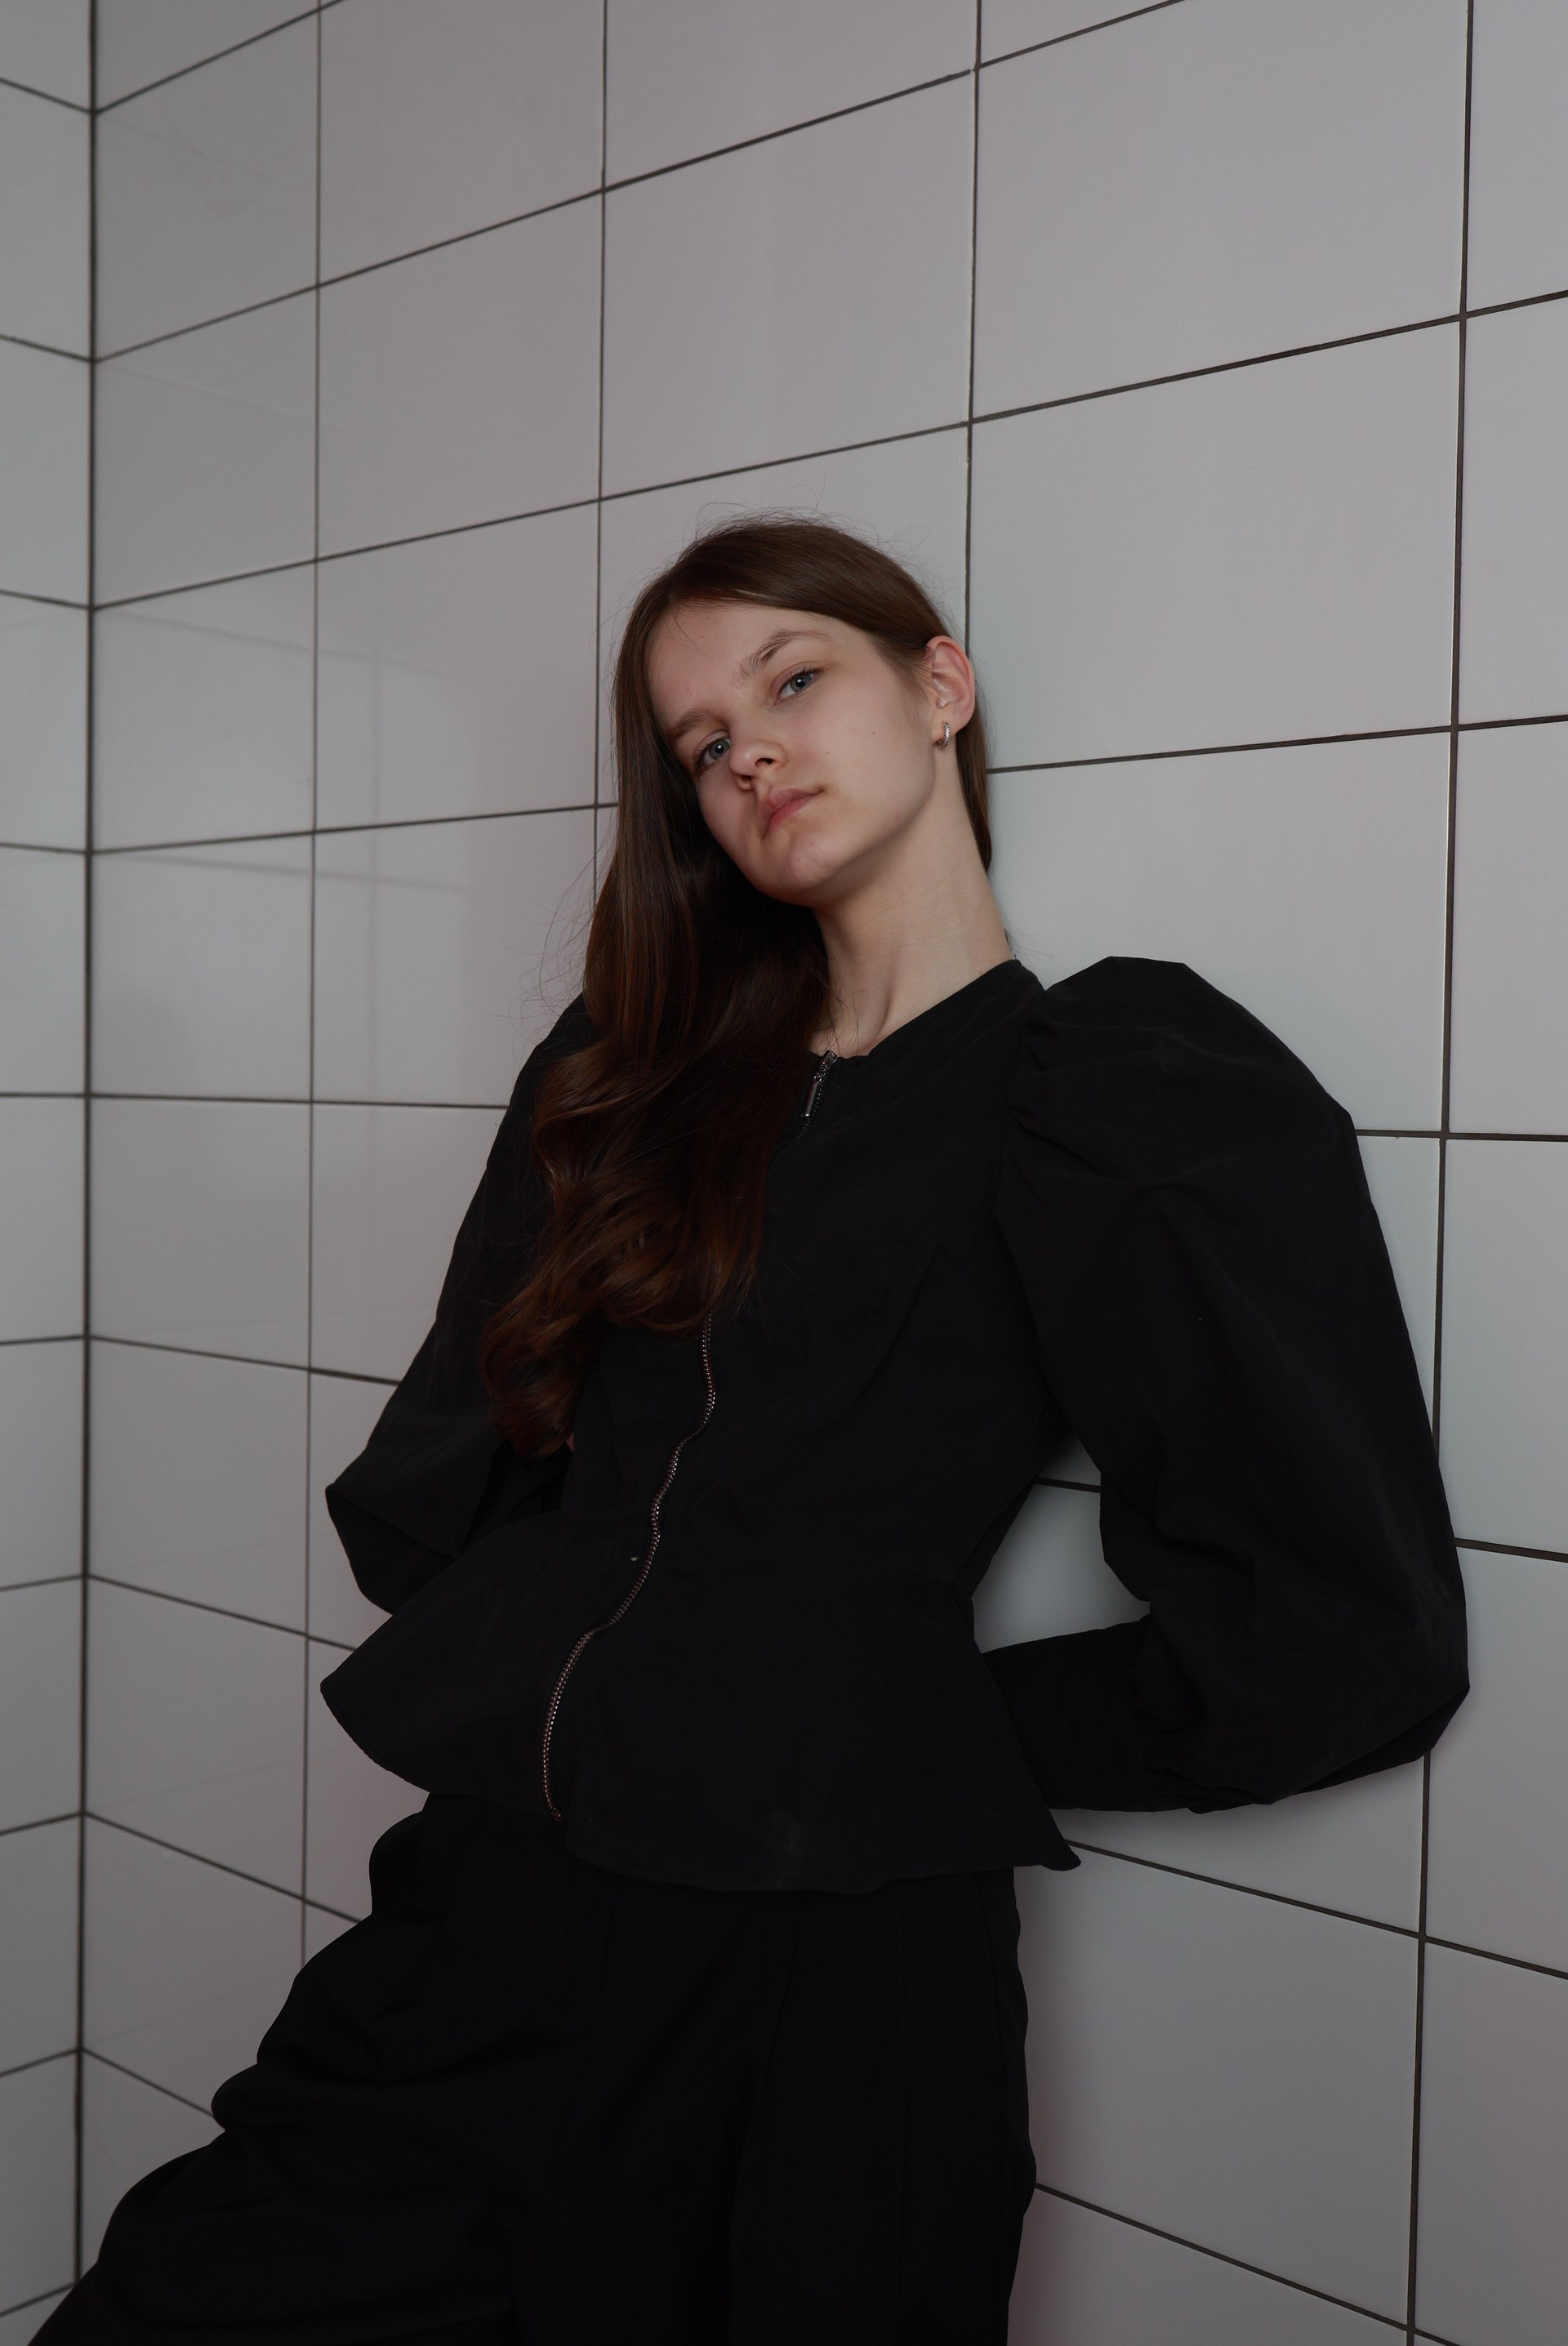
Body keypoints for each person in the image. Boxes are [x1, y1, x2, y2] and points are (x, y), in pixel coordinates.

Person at [43, 517, 1468, 2344]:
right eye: (704, 742)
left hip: (834, 1968)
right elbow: (452, 1463)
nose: (752, 754)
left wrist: (913, 1715)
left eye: (795, 680)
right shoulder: (628, 1075)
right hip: (501, 1905)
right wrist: (601, 1668)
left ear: (939, 687)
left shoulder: (1110, 1089)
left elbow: (1338, 1617)